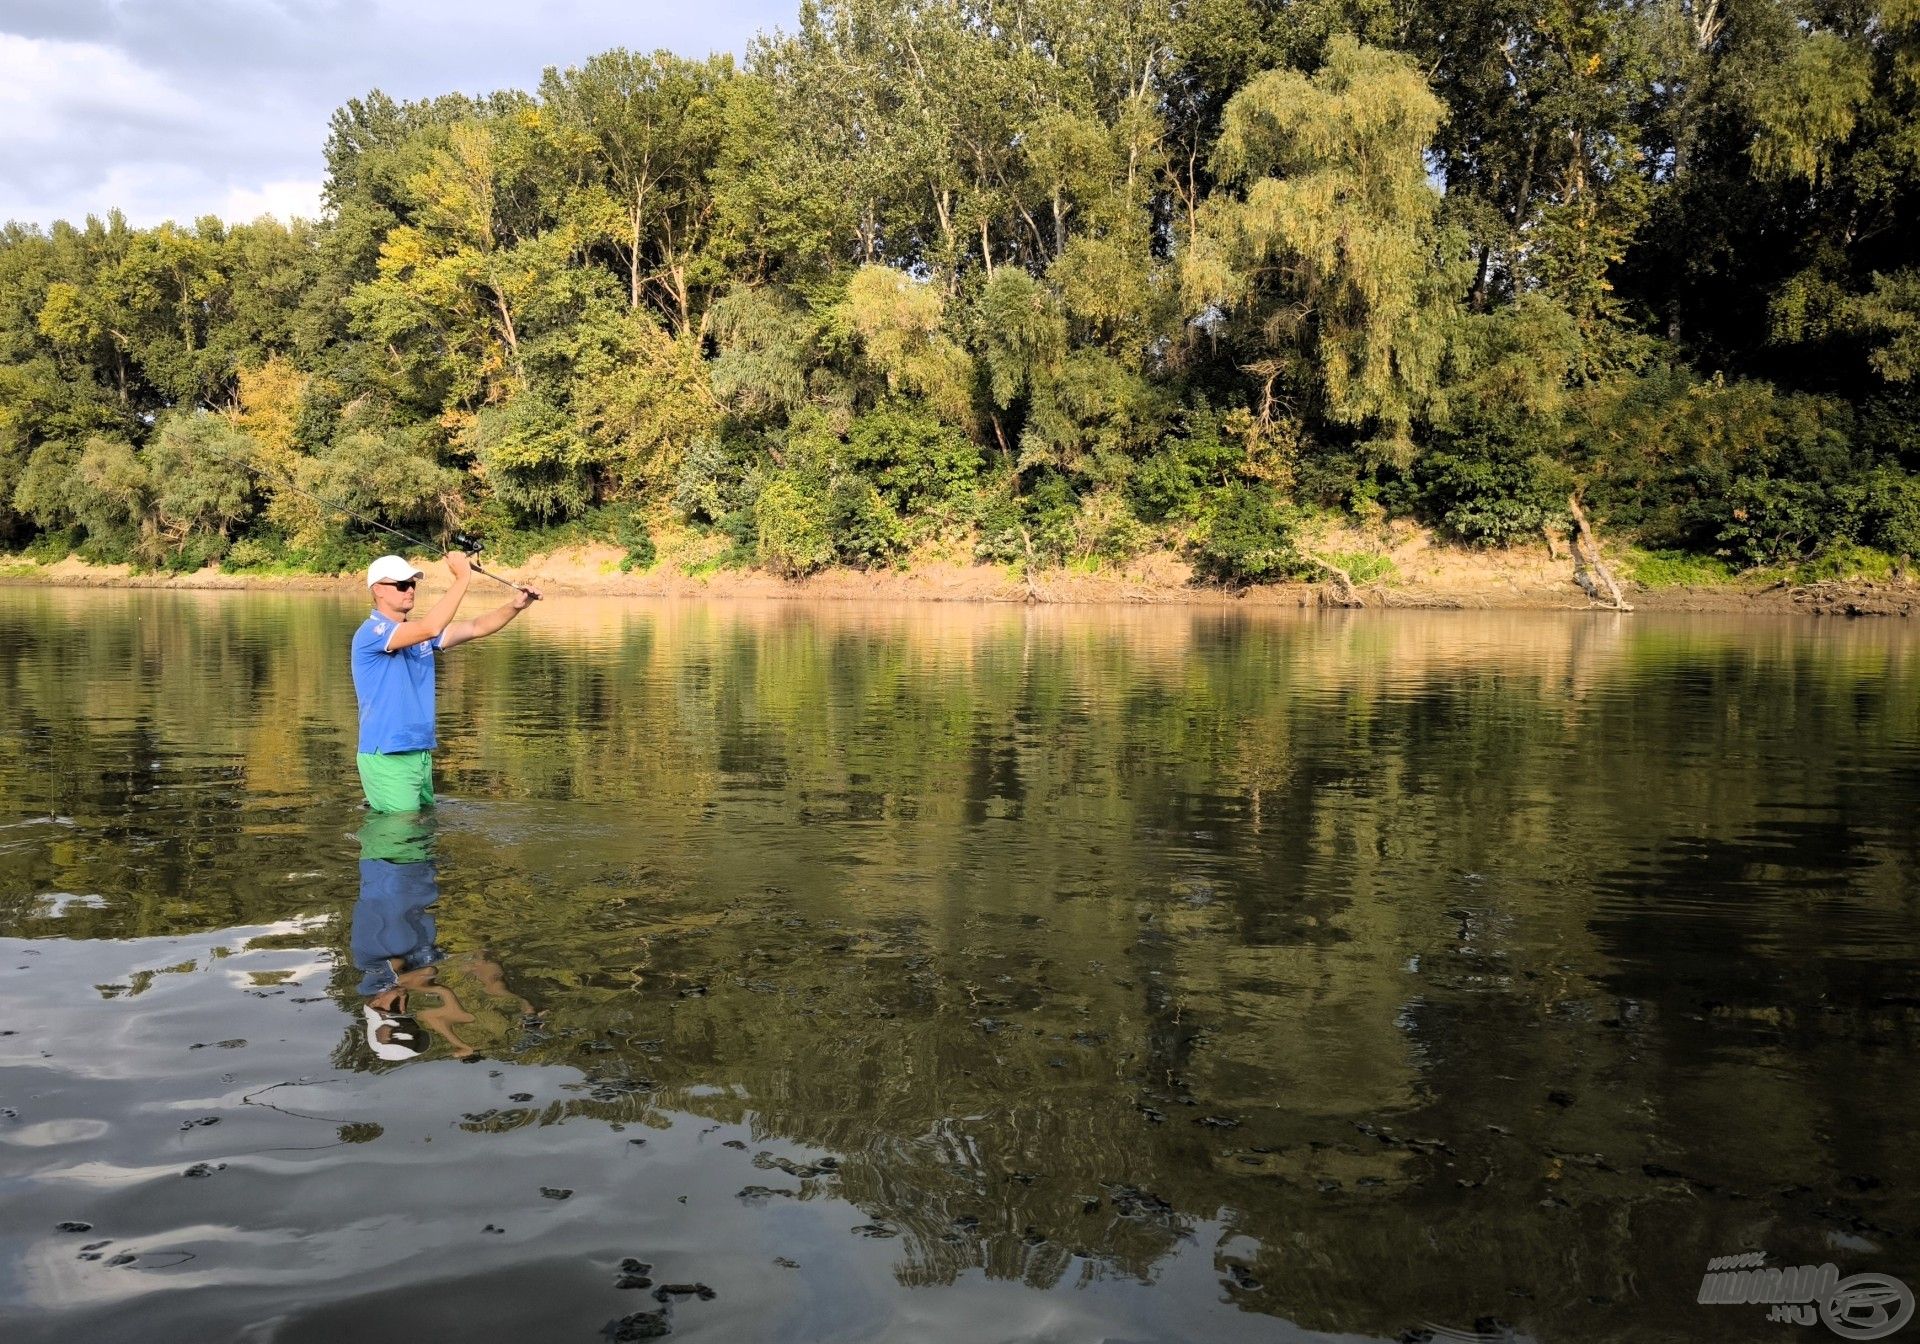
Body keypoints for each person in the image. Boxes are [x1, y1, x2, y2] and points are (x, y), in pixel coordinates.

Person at [350, 551, 541, 813]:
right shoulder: (372, 633)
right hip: (387, 754)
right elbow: (431, 627)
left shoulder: (416, 634)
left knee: (420, 838)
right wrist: (463, 577)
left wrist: (515, 606)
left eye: (413, 584)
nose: (410, 590)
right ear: (378, 590)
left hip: (419, 750)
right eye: (402, 585)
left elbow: (475, 627)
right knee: (400, 838)